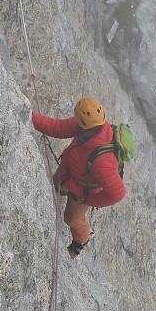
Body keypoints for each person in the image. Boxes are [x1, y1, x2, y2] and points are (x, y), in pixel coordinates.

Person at [32, 97, 126, 257]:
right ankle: (59, 189)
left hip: (82, 191)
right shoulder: (86, 126)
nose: (75, 123)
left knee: (72, 219)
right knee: (56, 184)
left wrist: (88, 200)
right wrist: (29, 115)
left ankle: (81, 240)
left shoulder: (103, 161)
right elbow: (58, 128)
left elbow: (118, 194)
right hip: (69, 172)